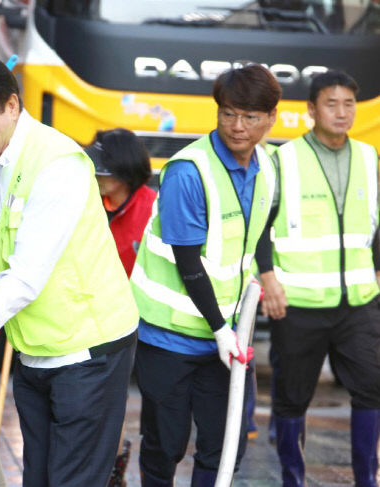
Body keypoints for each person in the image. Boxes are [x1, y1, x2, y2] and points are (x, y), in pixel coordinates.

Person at [0, 53, 139, 487]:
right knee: (40, 476)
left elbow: (25, 278)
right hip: (36, 349)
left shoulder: (56, 166)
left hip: (86, 350)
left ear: (11, 105)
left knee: (72, 480)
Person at [130, 63, 281, 485]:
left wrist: (263, 282)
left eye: (251, 117)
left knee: (224, 446)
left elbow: (259, 234)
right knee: (166, 444)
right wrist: (219, 328)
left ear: (271, 118)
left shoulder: (267, 167)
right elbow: (187, 260)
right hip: (169, 336)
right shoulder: (188, 171)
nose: (238, 126)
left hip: (228, 336)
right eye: (228, 113)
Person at [256, 70, 380, 487]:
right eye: (332, 103)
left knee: (372, 388)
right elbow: (259, 228)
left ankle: (367, 479)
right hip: (299, 304)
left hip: (359, 303)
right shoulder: (284, 159)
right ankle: (293, 479)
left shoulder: (368, 157)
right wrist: (268, 278)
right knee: (291, 400)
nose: (342, 112)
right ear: (311, 110)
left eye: (349, 104)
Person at [85, 128, 156, 276]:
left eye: (102, 170)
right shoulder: (88, 202)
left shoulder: (154, 211)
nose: (96, 175)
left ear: (125, 169)